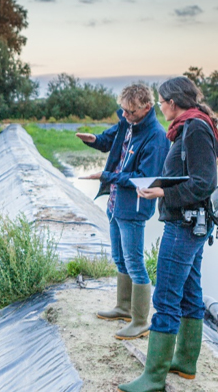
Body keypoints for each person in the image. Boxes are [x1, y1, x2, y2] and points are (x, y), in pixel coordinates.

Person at [118, 76, 218, 392]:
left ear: (172, 103)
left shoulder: (195, 128)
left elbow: (204, 182)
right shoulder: (189, 126)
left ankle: (153, 377)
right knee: (190, 294)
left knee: (165, 297)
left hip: (185, 224)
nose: (160, 108)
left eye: (161, 102)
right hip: (190, 222)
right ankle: (185, 363)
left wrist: (162, 193)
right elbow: (189, 177)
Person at [76, 83, 169, 340]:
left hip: (134, 208)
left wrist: (107, 175)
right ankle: (123, 308)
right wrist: (93, 140)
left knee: (135, 263)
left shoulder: (156, 136)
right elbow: (109, 140)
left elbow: (145, 177)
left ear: (147, 107)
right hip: (116, 204)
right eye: (123, 111)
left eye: (131, 112)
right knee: (120, 258)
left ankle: (140, 321)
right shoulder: (127, 124)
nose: (126, 116)